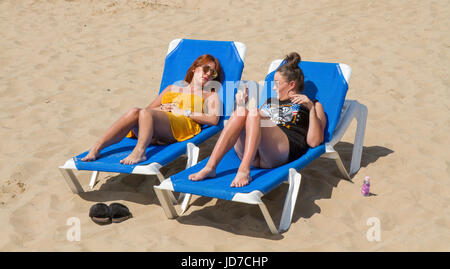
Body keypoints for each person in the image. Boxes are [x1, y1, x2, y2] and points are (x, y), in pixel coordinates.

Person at [189, 52, 327, 187]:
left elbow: (314, 142)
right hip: (256, 152)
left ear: (291, 85)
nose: (273, 87)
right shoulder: (269, 101)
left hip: (279, 152)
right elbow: (251, 124)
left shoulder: (313, 104)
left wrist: (311, 109)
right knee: (241, 111)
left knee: (253, 112)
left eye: (277, 83)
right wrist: (242, 104)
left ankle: (244, 169)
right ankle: (210, 167)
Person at [81, 54, 223, 165]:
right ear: (194, 69)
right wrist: (162, 108)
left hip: (182, 125)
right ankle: (97, 147)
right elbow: (149, 109)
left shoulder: (210, 95)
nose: (209, 74)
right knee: (135, 111)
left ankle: (140, 151)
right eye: (206, 69)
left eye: (213, 73)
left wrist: (185, 112)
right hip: (156, 123)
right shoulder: (172, 88)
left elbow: (214, 119)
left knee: (144, 113)